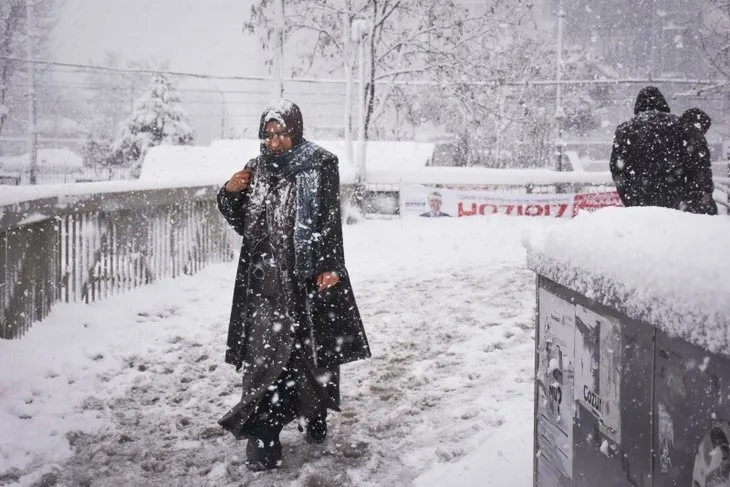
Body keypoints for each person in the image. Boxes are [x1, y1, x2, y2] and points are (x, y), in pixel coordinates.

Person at [216, 100, 371, 471]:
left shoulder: (319, 163)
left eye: (283, 133)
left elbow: (329, 220)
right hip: (263, 286)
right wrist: (230, 193)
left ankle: (314, 413)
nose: (275, 141)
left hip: (305, 282)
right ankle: (264, 433)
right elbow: (244, 223)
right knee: (264, 357)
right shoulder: (256, 169)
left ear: (296, 131)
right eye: (268, 134)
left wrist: (331, 265)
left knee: (309, 355)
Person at [609, 86, 692, 209]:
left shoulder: (625, 129)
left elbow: (617, 166)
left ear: (638, 105)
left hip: (636, 195)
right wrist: (680, 190)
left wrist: (627, 195)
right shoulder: (678, 126)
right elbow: (688, 160)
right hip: (670, 193)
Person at [678, 108, 718, 215]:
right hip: (696, 191)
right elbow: (702, 167)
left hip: (681, 188)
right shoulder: (697, 139)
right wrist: (706, 190)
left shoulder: (678, 136)